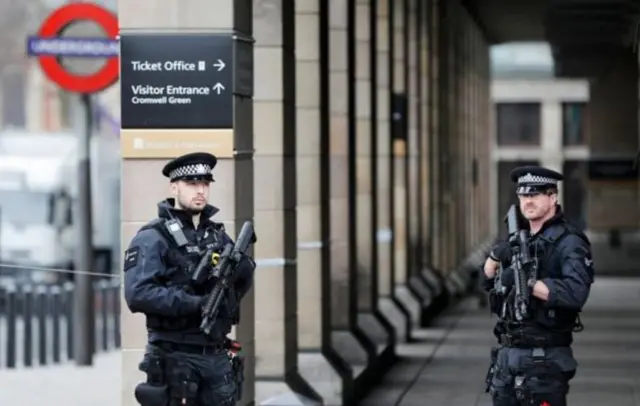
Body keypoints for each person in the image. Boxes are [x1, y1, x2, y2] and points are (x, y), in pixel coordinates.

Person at [123, 152, 255, 406]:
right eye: (192, 184)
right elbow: (138, 294)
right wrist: (195, 303)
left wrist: (241, 272)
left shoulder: (217, 237)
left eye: (205, 184)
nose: (200, 191)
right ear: (174, 187)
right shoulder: (153, 237)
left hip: (216, 357)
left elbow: (239, 286)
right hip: (175, 357)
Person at [483, 165, 594, 406]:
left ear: (553, 197)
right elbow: (490, 284)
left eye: (535, 194)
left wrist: (527, 282)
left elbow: (576, 293)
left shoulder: (569, 241)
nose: (528, 201)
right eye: (523, 195)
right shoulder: (518, 238)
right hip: (507, 357)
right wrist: (493, 259)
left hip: (543, 359)